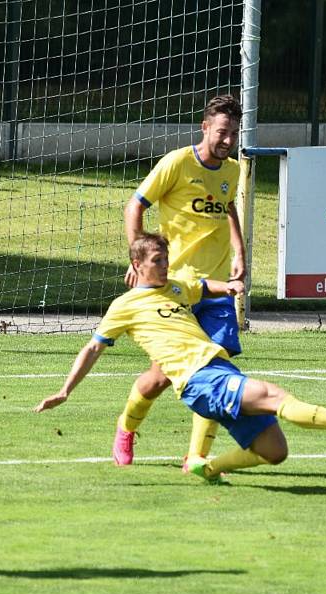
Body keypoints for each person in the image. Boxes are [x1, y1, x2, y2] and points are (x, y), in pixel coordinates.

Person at [35, 233, 326, 484]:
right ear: (136, 265)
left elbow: (200, 285)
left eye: (167, 259)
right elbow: (93, 348)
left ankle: (206, 467)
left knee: (274, 451)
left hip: (216, 370)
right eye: (157, 260)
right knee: (274, 395)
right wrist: (65, 391)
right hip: (197, 379)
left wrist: (228, 286)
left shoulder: (174, 287)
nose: (165, 265)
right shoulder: (123, 306)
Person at [113, 95, 246, 469]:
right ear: (204, 127)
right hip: (176, 289)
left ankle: (197, 456)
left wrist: (240, 251)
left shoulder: (232, 170)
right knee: (158, 379)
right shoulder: (177, 163)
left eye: (233, 134)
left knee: (217, 372)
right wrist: (138, 260)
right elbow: (135, 205)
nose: (227, 141)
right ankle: (126, 427)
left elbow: (228, 206)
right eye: (222, 132)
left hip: (217, 288)